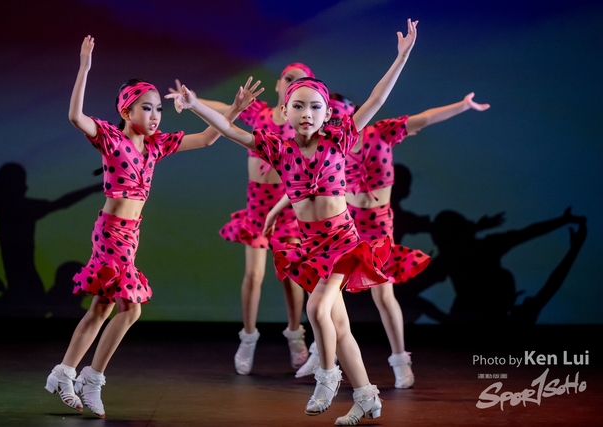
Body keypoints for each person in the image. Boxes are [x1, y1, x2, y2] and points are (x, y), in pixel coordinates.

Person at [168, 18, 418, 426]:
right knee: (340, 326)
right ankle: (366, 397)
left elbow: (376, 98)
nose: (306, 113)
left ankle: (327, 377)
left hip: (343, 241)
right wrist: (195, 104)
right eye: (298, 106)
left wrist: (402, 56)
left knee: (317, 308)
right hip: (312, 246)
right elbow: (230, 130)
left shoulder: (339, 139)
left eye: (315, 107)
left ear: (328, 113)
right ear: (284, 111)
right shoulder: (279, 150)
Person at [44, 35, 262, 418]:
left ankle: (66, 374)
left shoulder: (156, 145)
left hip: (130, 233)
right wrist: (85, 67)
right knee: (129, 309)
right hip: (111, 232)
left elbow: (208, 138)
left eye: (159, 108)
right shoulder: (111, 139)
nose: (156, 115)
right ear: (126, 110)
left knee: (103, 308)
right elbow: (76, 117)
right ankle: (89, 378)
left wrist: (235, 109)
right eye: (147, 108)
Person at [295, 92, 491, 388]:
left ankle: (400, 360)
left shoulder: (380, 132)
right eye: (330, 118)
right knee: (328, 294)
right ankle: (320, 352)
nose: (333, 123)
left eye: (339, 116)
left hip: (377, 227)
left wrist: (463, 106)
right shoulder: (327, 146)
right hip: (344, 224)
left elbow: (425, 118)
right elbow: (301, 184)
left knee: (383, 294)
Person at [177, 63, 314, 375]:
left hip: (289, 207)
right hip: (258, 207)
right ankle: (248, 337)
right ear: (279, 84)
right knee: (253, 275)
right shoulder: (262, 114)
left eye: (302, 81)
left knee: (291, 275)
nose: (293, 84)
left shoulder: (302, 121)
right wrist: (195, 99)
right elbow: (225, 109)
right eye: (289, 79)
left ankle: (296, 335)